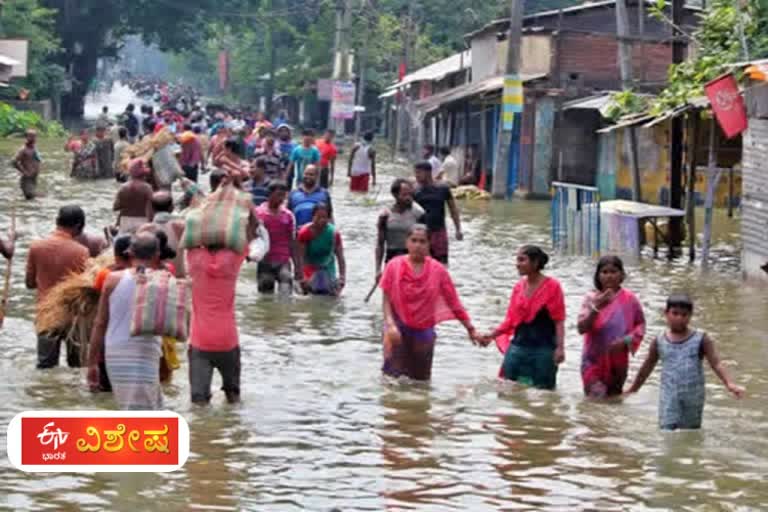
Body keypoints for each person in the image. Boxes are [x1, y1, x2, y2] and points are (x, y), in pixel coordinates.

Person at [625, 294, 745, 430]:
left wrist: (729, 383)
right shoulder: (659, 340)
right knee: (666, 430)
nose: (679, 318)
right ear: (666, 313)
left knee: (690, 432)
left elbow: (716, 363)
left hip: (693, 396)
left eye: (684, 315)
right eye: (675, 313)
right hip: (669, 395)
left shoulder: (701, 339)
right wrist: (633, 388)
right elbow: (648, 366)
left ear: (690, 316)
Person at [379, 224, 478, 381]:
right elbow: (386, 299)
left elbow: (454, 303)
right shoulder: (394, 265)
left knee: (421, 381)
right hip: (396, 328)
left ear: (429, 244)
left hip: (423, 330)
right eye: (414, 240)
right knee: (391, 378)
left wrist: (470, 329)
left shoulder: (438, 271)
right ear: (407, 242)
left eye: (422, 241)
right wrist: (390, 324)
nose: (417, 245)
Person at [87, 233, 164, 410]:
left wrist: (91, 363)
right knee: (147, 410)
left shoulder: (112, 280)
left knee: (130, 408)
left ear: (130, 252)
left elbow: (100, 323)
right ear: (157, 255)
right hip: (147, 351)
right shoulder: (163, 281)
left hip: (116, 352)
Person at [480, 246, 566, 390]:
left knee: (544, 394)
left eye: (522, 260)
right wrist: (490, 335)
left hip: (544, 350)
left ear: (535, 262)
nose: (517, 264)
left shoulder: (553, 287)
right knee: (507, 390)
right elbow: (510, 320)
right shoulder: (518, 288)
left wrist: (560, 348)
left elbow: (559, 321)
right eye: (517, 260)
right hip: (518, 347)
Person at [26, 206, 89, 369]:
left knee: (45, 366)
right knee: (77, 367)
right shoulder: (82, 252)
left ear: (57, 222)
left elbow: (30, 283)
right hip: (73, 316)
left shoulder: (36, 247)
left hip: (46, 315)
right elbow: (85, 288)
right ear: (78, 226)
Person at [577, 256, 646, 398]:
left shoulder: (630, 299)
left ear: (621, 275)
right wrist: (597, 308)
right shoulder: (591, 298)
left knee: (614, 401)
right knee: (594, 401)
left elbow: (641, 325)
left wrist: (626, 341)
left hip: (618, 361)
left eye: (613, 271)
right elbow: (581, 328)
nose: (609, 276)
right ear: (598, 276)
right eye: (604, 272)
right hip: (592, 360)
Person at [413, 161, 463, 265]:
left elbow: (453, 209)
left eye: (418, 173)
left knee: (441, 263)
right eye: (415, 173)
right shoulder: (415, 190)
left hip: (439, 231)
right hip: (420, 233)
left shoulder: (443, 188)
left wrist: (458, 229)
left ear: (428, 173)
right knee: (421, 264)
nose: (416, 176)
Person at [375, 178, 426, 279]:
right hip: (392, 257)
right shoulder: (385, 215)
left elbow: (426, 241)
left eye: (410, 194)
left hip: (413, 257)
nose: (408, 198)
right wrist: (378, 269)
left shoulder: (419, 213)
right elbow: (380, 244)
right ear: (395, 195)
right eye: (404, 195)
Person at [255, 182, 298, 294]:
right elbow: (251, 237)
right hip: (265, 261)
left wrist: (298, 267)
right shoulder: (258, 213)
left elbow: (292, 242)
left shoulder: (288, 215)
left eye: (283, 196)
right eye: (279, 195)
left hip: (283, 261)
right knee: (265, 299)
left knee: (286, 292)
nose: (282, 199)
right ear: (270, 194)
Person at [296, 202, 346, 296]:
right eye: (318, 217)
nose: (321, 220)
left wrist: (342, 278)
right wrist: (302, 278)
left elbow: (340, 257)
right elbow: (300, 258)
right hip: (309, 269)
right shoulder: (304, 233)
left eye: (325, 217)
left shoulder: (334, 234)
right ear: (312, 217)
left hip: (328, 269)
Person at [150, 191, 186, 277]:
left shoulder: (145, 229)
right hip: (177, 277)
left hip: (153, 277)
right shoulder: (181, 226)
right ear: (172, 208)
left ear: (152, 209)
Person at [114, 159, 154, 234]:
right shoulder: (147, 188)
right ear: (143, 174)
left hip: (125, 222)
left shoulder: (123, 188)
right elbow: (150, 210)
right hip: (142, 222)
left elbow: (115, 207)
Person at [13, 129, 41, 200]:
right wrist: (24, 172)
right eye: (31, 136)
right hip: (27, 179)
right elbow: (13, 161)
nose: (34, 138)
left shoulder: (34, 148)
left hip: (33, 178)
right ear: (26, 137)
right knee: (31, 198)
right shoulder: (23, 149)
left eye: (35, 136)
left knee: (32, 200)